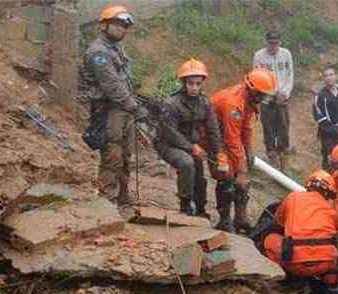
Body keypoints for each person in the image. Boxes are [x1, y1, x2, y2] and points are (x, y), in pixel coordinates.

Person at [78, 6, 148, 205]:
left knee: (126, 155)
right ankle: (107, 201)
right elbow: (112, 86)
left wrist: (131, 105)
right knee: (112, 155)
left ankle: (123, 197)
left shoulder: (115, 48)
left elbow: (124, 81)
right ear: (104, 25)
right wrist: (135, 107)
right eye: (117, 24)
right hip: (108, 109)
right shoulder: (98, 52)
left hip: (123, 109)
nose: (121, 29)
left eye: (124, 26)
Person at [262, 170, 338, 294]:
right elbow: (336, 234)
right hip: (323, 265)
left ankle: (290, 278)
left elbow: (278, 224)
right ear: (328, 193)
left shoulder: (293, 197)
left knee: (271, 239)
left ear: (308, 185)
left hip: (295, 264)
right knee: (332, 252)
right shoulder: (331, 211)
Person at [211, 68, 277, 233]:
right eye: (262, 94)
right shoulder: (232, 104)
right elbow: (232, 140)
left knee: (242, 178)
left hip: (227, 136)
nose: (264, 98)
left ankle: (241, 218)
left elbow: (246, 128)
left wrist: (248, 152)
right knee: (226, 175)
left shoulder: (249, 100)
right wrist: (240, 170)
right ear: (253, 90)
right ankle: (225, 220)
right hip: (212, 138)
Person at [155, 59, 222, 217]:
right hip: (167, 143)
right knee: (187, 163)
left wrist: (219, 152)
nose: (194, 87)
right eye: (190, 83)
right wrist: (192, 148)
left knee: (199, 174)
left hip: (191, 144)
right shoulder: (171, 103)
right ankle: (185, 205)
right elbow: (169, 132)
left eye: (198, 84)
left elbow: (213, 128)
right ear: (183, 83)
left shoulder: (204, 102)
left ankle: (201, 208)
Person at [253, 31, 294, 170]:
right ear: (266, 42)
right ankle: (270, 152)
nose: (273, 46)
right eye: (271, 43)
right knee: (268, 126)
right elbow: (256, 77)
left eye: (276, 43)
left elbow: (290, 75)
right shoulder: (259, 56)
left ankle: (283, 151)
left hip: (282, 97)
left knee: (283, 125)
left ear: (279, 42)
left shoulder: (286, 54)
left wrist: (285, 94)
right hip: (267, 97)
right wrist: (269, 94)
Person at [312, 66, 338, 169]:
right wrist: (335, 129)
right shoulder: (320, 96)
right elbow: (319, 117)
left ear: (336, 76)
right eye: (326, 76)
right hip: (327, 135)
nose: (329, 78)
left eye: (331, 75)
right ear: (323, 79)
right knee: (330, 160)